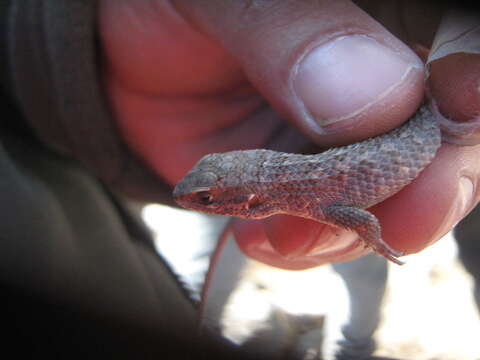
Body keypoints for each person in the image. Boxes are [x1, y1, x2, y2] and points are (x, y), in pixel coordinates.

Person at [1, 1, 479, 359]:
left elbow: (360, 218)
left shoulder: (314, 199)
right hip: (428, 117)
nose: (197, 201)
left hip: (434, 120)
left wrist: (374, 238)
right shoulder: (303, 190)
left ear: (249, 201)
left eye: (209, 198)